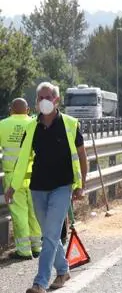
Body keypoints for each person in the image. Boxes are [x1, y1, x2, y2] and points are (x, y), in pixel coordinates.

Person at [4, 82, 88, 293]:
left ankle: (40, 282)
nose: (43, 101)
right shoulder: (31, 127)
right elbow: (22, 160)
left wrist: (81, 185)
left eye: (47, 97)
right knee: (48, 234)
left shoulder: (70, 124)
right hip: (38, 187)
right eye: (40, 98)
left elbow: (82, 156)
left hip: (62, 186)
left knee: (50, 235)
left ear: (56, 100)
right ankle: (63, 269)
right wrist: (12, 187)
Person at [0, 98, 42, 260]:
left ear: (11, 109)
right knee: (35, 211)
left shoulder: (3, 125)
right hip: (35, 175)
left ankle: (24, 251)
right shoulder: (35, 123)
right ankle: (37, 247)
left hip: (13, 177)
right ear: (28, 109)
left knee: (19, 213)